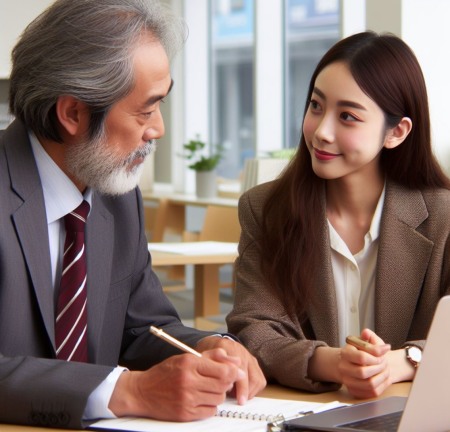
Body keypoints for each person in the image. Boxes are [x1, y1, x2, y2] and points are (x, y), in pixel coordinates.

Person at [0, 0, 266, 429]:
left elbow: (145, 328)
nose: (158, 128)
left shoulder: (118, 196)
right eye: (146, 108)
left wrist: (212, 347)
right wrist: (129, 391)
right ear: (72, 113)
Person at [227, 31, 450, 399]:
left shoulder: (443, 217)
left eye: (347, 116)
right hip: (307, 414)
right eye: (316, 106)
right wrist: (332, 362)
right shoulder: (266, 209)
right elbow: (254, 328)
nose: (321, 132)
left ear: (396, 132)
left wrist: (402, 361)